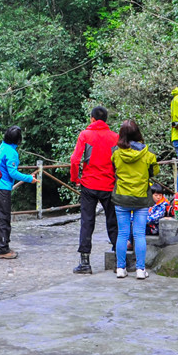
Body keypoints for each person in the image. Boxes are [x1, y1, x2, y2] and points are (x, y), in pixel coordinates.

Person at [68, 105, 120, 275]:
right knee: (113, 221)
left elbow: (75, 160)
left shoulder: (85, 135)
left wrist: (75, 178)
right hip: (109, 184)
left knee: (87, 222)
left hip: (89, 184)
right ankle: (118, 260)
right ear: (105, 119)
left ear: (92, 119)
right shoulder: (115, 137)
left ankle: (85, 262)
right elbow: (118, 162)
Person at [111, 120, 158, 280]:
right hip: (141, 198)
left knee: (122, 234)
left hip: (121, 196)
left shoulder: (115, 153)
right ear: (138, 133)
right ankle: (140, 269)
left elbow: (113, 170)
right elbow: (154, 171)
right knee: (139, 234)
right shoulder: (148, 153)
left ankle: (120, 268)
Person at [0, 126, 37, 260]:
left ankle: (3, 246)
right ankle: (2, 249)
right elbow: (13, 173)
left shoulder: (3, 146)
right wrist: (29, 178)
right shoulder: (11, 152)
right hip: (2, 189)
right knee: (4, 219)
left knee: (2, 218)